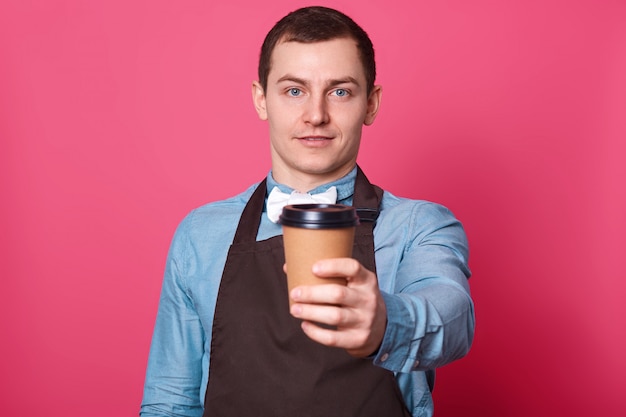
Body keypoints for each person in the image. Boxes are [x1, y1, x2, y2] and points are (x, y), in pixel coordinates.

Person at [140, 6, 474, 417]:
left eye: (340, 91)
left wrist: (385, 323)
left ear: (371, 103)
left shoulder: (419, 226)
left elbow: (453, 315)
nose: (316, 115)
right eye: (294, 90)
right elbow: (170, 402)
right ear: (262, 99)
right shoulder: (199, 235)